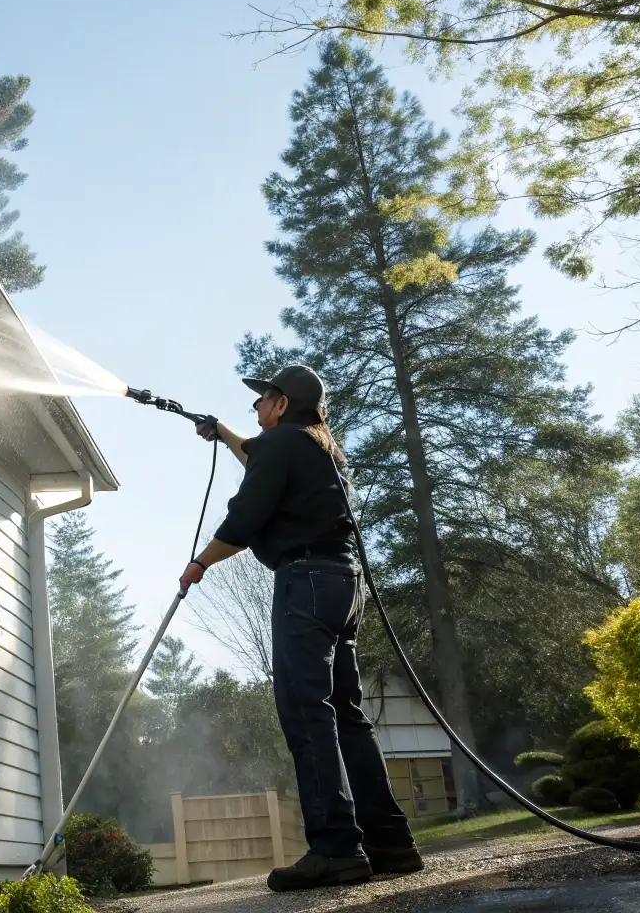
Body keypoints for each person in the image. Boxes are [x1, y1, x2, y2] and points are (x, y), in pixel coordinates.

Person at [182, 365, 425, 892]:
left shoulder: (284, 446)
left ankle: (336, 849)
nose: (255, 409)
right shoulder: (322, 450)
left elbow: (245, 519)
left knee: (305, 711)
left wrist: (199, 563)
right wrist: (223, 431)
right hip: (344, 583)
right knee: (346, 714)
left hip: (306, 582)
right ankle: (390, 843)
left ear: (281, 403)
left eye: (261, 400)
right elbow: (262, 456)